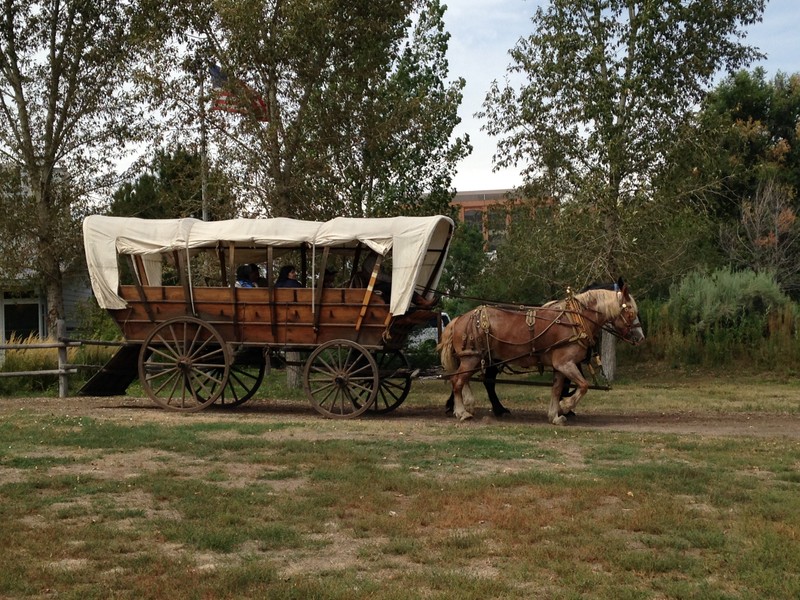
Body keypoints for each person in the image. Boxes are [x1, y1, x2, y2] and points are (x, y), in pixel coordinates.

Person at [357, 252, 436, 308]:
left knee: (400, 286)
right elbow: (379, 276)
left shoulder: (373, 259)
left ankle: (421, 301)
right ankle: (421, 302)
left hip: (379, 285)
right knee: (400, 287)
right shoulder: (371, 261)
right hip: (376, 286)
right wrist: (393, 279)